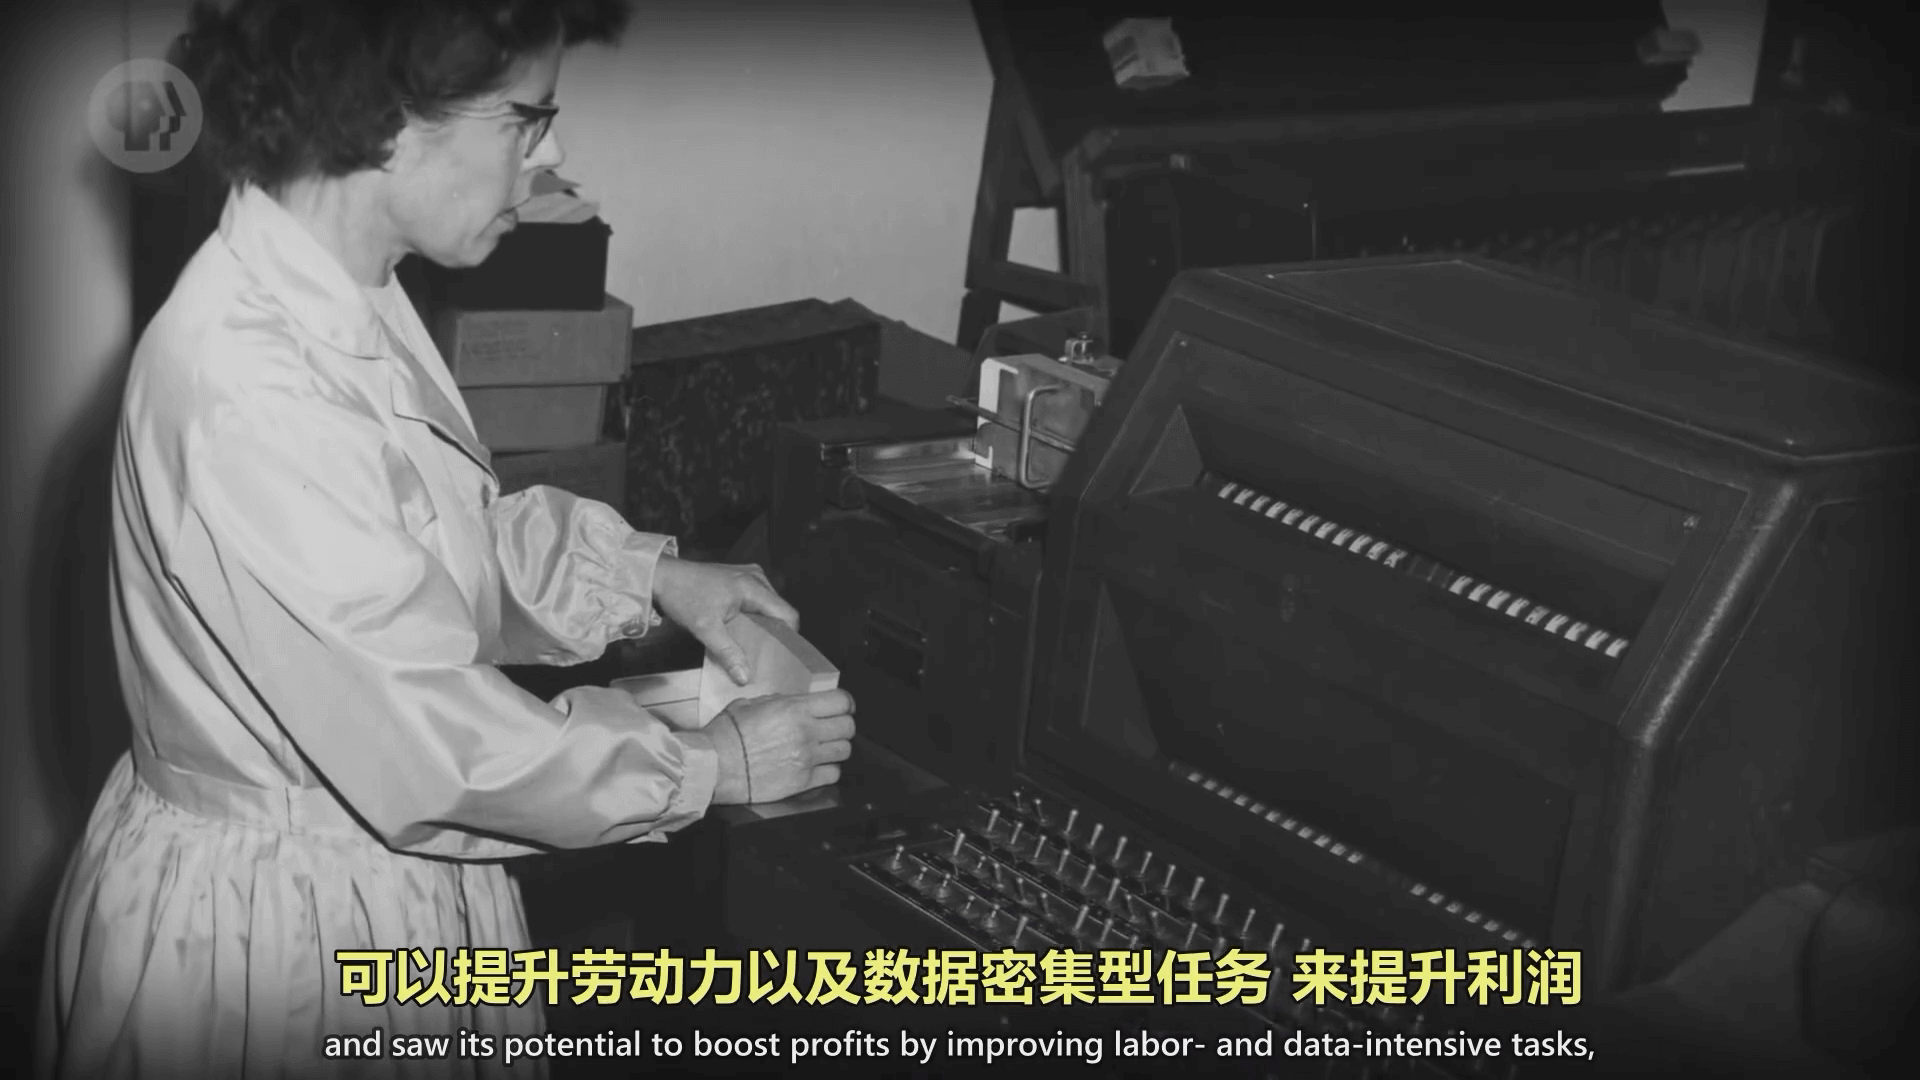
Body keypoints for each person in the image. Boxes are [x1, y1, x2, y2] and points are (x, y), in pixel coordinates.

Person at [35, 2, 856, 1077]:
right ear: (388, 112)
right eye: (526, 118)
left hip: (362, 879)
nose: (550, 154)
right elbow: (433, 750)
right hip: (281, 934)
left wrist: (651, 577)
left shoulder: (343, 287)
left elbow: (429, 550)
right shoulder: (248, 388)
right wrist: (711, 765)